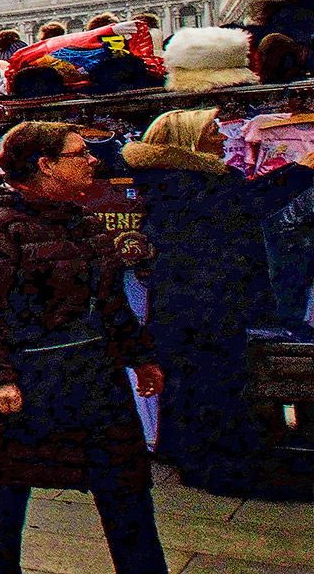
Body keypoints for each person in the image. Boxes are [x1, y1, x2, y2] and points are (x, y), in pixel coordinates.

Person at [0, 122, 166, 574]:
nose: (93, 160)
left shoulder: (84, 221)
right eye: (79, 154)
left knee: (127, 487)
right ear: (46, 165)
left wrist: (141, 356)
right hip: (28, 379)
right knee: (4, 488)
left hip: (95, 377)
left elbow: (111, 302)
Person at [123, 109, 301, 497]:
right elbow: (252, 206)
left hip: (188, 298)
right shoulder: (195, 184)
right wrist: (301, 171)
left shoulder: (173, 182)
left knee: (192, 378)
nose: (222, 139)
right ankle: (214, 466)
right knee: (210, 378)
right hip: (207, 300)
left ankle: (193, 457)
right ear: (190, 140)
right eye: (212, 133)